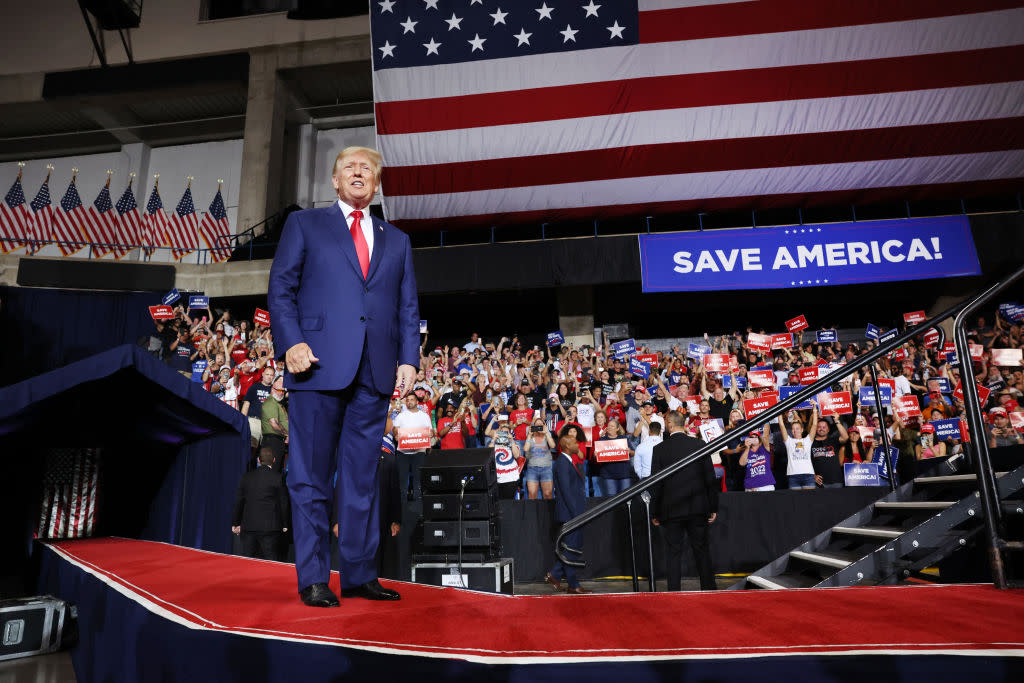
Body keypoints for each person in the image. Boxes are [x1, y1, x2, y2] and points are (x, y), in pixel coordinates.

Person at [268, 145, 419, 608]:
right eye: (349, 167)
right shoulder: (304, 224)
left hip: (375, 372)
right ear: (335, 181)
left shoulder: (397, 240)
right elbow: (281, 287)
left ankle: (359, 575)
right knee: (310, 478)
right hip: (314, 366)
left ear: (376, 184)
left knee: (361, 479)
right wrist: (290, 342)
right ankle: (314, 577)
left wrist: (409, 359)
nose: (359, 173)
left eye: (367, 169)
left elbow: (408, 307)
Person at [650, 411, 719, 591]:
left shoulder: (659, 449)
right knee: (702, 551)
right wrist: (713, 506)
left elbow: (655, 484)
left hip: (670, 510)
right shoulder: (699, 444)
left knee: (673, 553)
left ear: (670, 425)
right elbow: (709, 478)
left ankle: (674, 592)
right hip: (697, 508)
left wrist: (654, 512)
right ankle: (710, 589)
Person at [545, 434, 592, 594]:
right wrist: (576, 514)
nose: (578, 445)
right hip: (570, 513)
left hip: (573, 511)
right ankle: (569, 582)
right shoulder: (562, 463)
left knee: (572, 547)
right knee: (571, 547)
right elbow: (565, 491)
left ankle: (558, 575)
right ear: (566, 446)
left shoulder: (568, 461)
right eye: (574, 443)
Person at [231, 447, 290, 561]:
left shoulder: (246, 477)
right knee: (270, 562)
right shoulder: (278, 478)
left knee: (247, 562)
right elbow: (283, 503)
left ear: (258, 460)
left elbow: (239, 501)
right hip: (270, 529)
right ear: (274, 460)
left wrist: (236, 523)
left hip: (248, 527)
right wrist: (285, 524)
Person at [778, 404, 818, 489]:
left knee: (809, 500)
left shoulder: (808, 440)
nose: (795, 431)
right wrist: (779, 408)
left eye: (797, 428)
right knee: (795, 501)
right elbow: (781, 425)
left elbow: (814, 425)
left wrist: (814, 409)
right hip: (793, 476)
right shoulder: (789, 441)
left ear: (802, 430)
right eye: (793, 429)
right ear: (791, 431)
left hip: (808, 475)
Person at [260, 375, 289, 472]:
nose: (281, 393)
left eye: (283, 391)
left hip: (278, 440)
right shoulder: (271, 402)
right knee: (272, 471)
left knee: (277, 471)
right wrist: (287, 434)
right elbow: (274, 423)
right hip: (272, 440)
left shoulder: (279, 404)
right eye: (279, 390)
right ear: (273, 388)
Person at [810, 416, 849, 488]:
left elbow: (845, 437)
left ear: (828, 430)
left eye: (824, 427)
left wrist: (837, 421)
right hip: (820, 483)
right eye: (819, 427)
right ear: (815, 429)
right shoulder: (810, 443)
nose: (821, 429)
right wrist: (812, 475)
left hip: (836, 481)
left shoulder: (833, 440)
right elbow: (806, 462)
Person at [522, 416, 556, 499]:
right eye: (536, 425)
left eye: (541, 425)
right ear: (533, 426)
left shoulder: (547, 435)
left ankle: (547, 512)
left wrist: (546, 433)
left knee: (548, 494)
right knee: (532, 494)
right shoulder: (530, 436)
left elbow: (552, 445)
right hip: (532, 468)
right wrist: (529, 435)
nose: (539, 426)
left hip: (546, 468)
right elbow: (525, 449)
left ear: (544, 426)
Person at [739, 426, 775, 491]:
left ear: (760, 439)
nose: (754, 439)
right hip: (750, 486)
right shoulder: (746, 451)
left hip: (766, 485)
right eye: (752, 437)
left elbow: (766, 435)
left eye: (756, 437)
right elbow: (742, 463)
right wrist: (747, 447)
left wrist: (765, 422)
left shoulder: (764, 448)